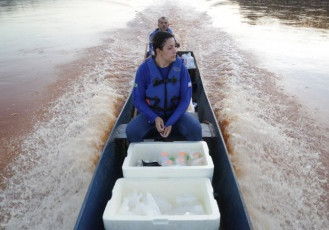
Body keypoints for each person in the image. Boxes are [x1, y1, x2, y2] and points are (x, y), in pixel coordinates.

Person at [126, 31, 201, 142]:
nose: (175, 50)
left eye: (175, 46)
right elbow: (138, 99)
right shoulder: (144, 70)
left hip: (176, 114)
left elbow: (186, 99)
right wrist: (154, 118)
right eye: (170, 48)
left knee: (195, 129)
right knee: (132, 131)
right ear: (159, 51)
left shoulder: (181, 68)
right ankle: (142, 156)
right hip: (151, 116)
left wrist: (171, 121)